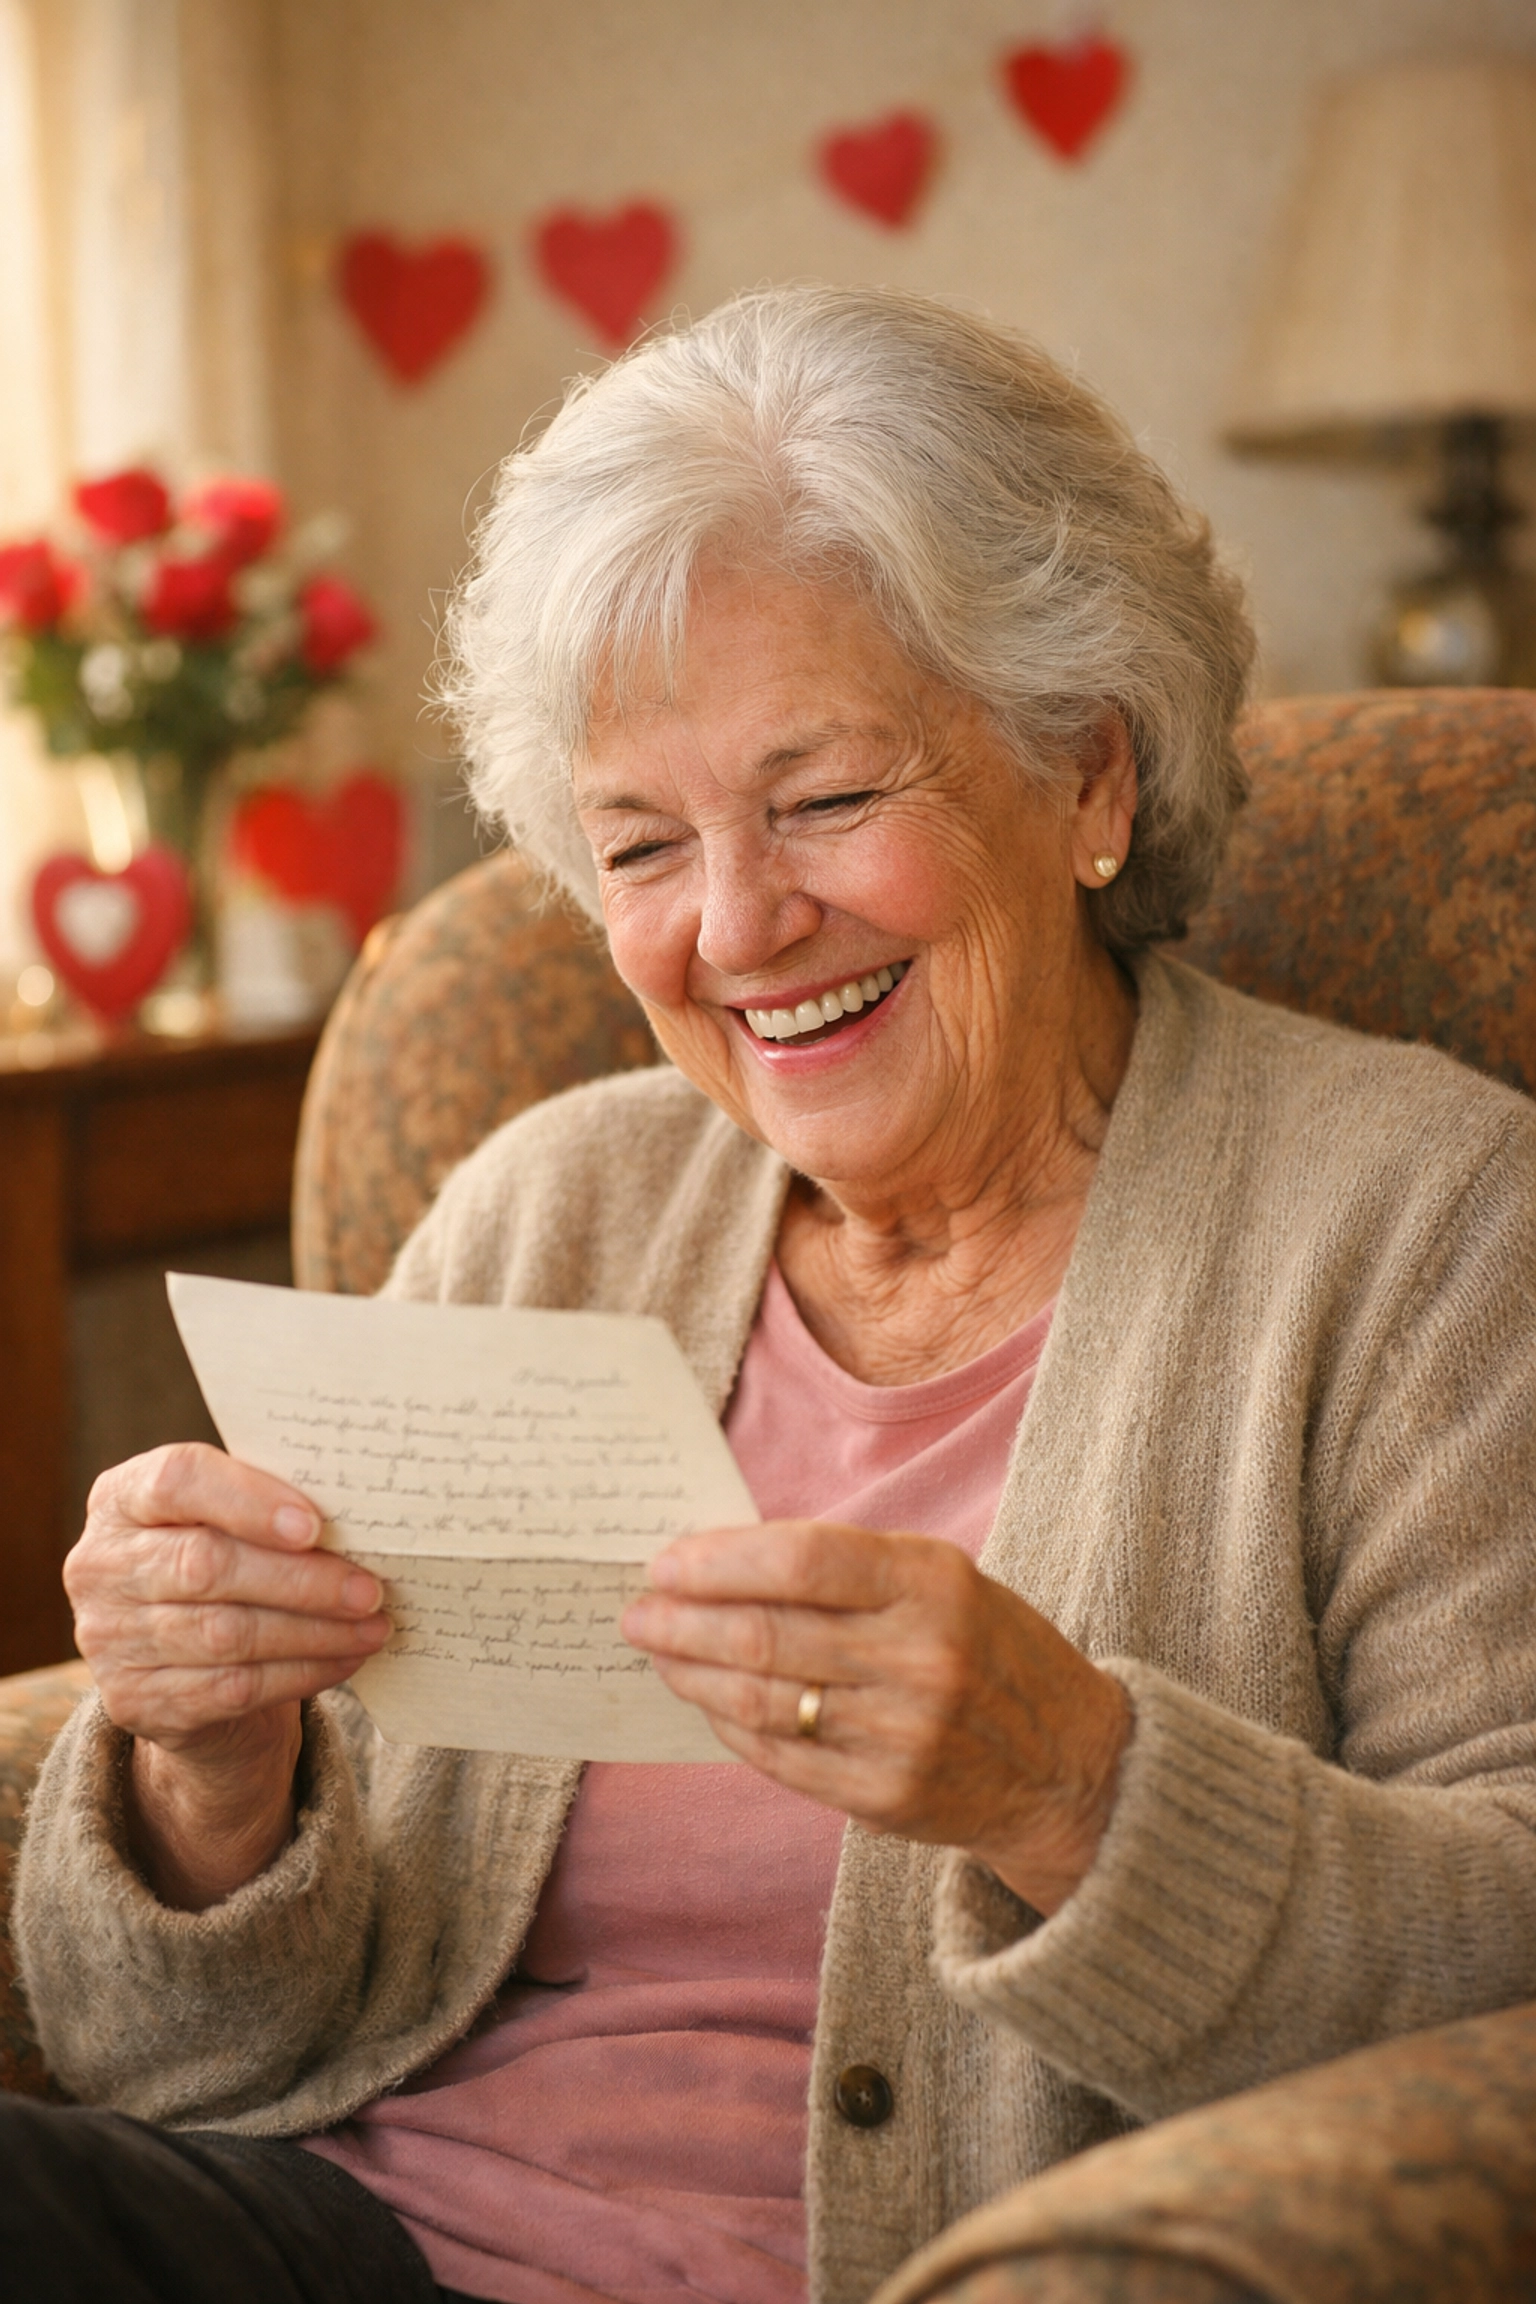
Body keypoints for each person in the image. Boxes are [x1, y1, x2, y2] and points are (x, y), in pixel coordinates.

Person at [11, 286, 1536, 2304]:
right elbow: (174, 2063)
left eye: (825, 799)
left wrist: (1069, 1782)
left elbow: (1508, 1949)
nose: (736, 928)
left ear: (1088, 777)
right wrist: (209, 1774)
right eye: (643, 844)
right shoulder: (541, 1217)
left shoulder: (1420, 1221)